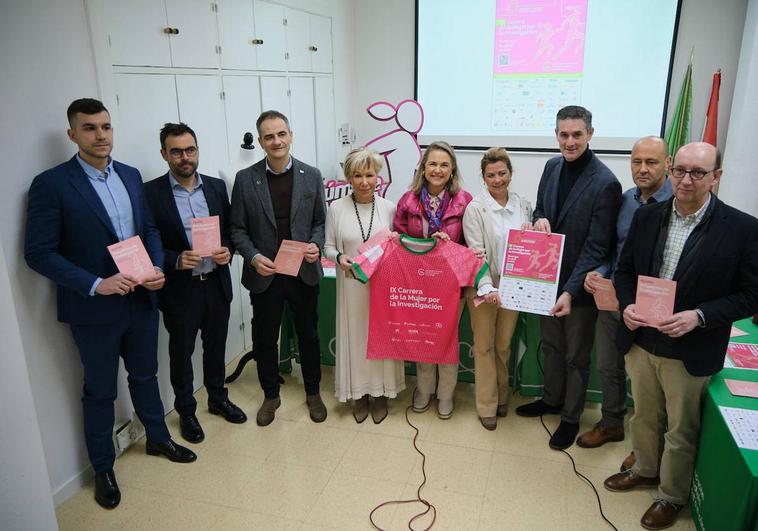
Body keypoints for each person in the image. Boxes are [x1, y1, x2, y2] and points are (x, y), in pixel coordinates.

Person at [24, 99, 196, 510]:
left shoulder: (131, 176)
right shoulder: (52, 184)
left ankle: (157, 437)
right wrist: (96, 283)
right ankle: (102, 467)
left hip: (140, 299)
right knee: (99, 391)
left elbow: (149, 228)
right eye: (89, 128)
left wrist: (157, 265)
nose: (100, 135)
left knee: (145, 375)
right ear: (72, 135)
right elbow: (39, 253)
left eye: (105, 126)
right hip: (94, 310)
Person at [603, 142, 758, 530]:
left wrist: (700, 316)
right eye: (681, 171)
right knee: (644, 415)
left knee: (681, 427)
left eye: (698, 173)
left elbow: (751, 295)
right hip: (641, 338)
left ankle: (671, 495)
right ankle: (644, 468)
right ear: (671, 170)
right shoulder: (648, 217)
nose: (686, 180)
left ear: (716, 177)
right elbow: (624, 273)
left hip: (691, 345)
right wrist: (626, 306)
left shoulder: (742, 228)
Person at [515, 105, 622, 450]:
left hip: (578, 288)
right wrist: (540, 219)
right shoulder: (551, 166)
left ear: (590, 134)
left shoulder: (606, 183)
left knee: (576, 356)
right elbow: (541, 208)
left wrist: (571, 291)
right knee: (551, 347)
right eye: (564, 134)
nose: (570, 141)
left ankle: (571, 418)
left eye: (577, 134)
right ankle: (551, 399)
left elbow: (596, 247)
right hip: (544, 280)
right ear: (556, 135)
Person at [144, 122, 247, 445]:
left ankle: (217, 398)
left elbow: (232, 229)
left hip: (215, 282)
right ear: (164, 154)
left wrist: (227, 251)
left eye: (190, 149)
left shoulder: (216, 187)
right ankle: (186, 410)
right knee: (181, 352)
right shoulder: (150, 193)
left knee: (216, 346)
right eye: (176, 151)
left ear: (197, 150)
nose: (185, 157)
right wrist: (174, 259)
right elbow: (149, 239)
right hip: (180, 289)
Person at [229, 110, 327, 426]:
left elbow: (319, 222)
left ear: (291, 135)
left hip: (302, 272)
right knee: (264, 338)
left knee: (308, 335)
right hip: (265, 274)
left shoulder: (311, 175)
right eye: (269, 136)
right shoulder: (245, 180)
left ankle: (313, 392)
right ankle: (271, 395)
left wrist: (316, 244)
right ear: (260, 141)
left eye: (281, 134)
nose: (276, 141)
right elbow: (237, 230)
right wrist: (253, 256)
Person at [578, 136, 673, 450]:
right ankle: (612, 422)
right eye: (637, 162)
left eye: (651, 162)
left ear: (667, 164)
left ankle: (648, 447)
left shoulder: (677, 204)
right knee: (608, 365)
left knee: (649, 381)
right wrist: (599, 273)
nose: (643, 169)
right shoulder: (626, 199)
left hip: (655, 307)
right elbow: (611, 250)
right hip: (614, 300)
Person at [324, 148, 405, 423]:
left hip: (382, 288)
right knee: (356, 338)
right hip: (351, 287)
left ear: (378, 176)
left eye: (369, 175)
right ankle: (358, 394)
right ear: (348, 177)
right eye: (357, 175)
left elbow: (400, 247)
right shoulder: (336, 208)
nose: (364, 181)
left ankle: (381, 393)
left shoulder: (390, 208)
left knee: (380, 337)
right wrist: (339, 257)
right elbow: (328, 246)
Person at [393, 141, 472, 419]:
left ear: (452, 171)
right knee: (424, 339)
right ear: (423, 168)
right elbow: (399, 241)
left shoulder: (465, 201)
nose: (437, 170)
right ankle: (424, 389)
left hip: (452, 284)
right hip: (418, 283)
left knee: (447, 339)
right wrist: (419, 243)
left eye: (444, 165)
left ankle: (446, 394)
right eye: (433, 164)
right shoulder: (408, 200)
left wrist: (450, 244)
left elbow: (472, 246)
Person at [463, 147, 532, 430]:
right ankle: (487, 405)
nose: (498, 179)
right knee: (483, 347)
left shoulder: (525, 206)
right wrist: (487, 287)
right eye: (491, 175)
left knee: (503, 345)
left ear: (510, 173)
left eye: (502, 173)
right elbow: (476, 253)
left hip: (513, 285)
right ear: (483, 177)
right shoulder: (475, 209)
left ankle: (503, 396)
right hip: (483, 285)